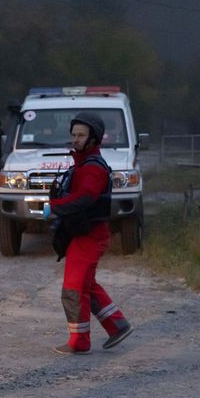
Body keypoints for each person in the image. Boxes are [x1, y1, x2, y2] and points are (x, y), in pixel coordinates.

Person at [48, 111, 134, 354]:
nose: (75, 139)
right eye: (73, 134)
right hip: (84, 233)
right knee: (85, 284)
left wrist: (53, 207)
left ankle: (79, 342)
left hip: (90, 235)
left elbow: (85, 198)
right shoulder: (83, 164)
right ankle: (117, 324)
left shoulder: (92, 168)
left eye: (81, 135)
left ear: (94, 138)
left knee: (73, 287)